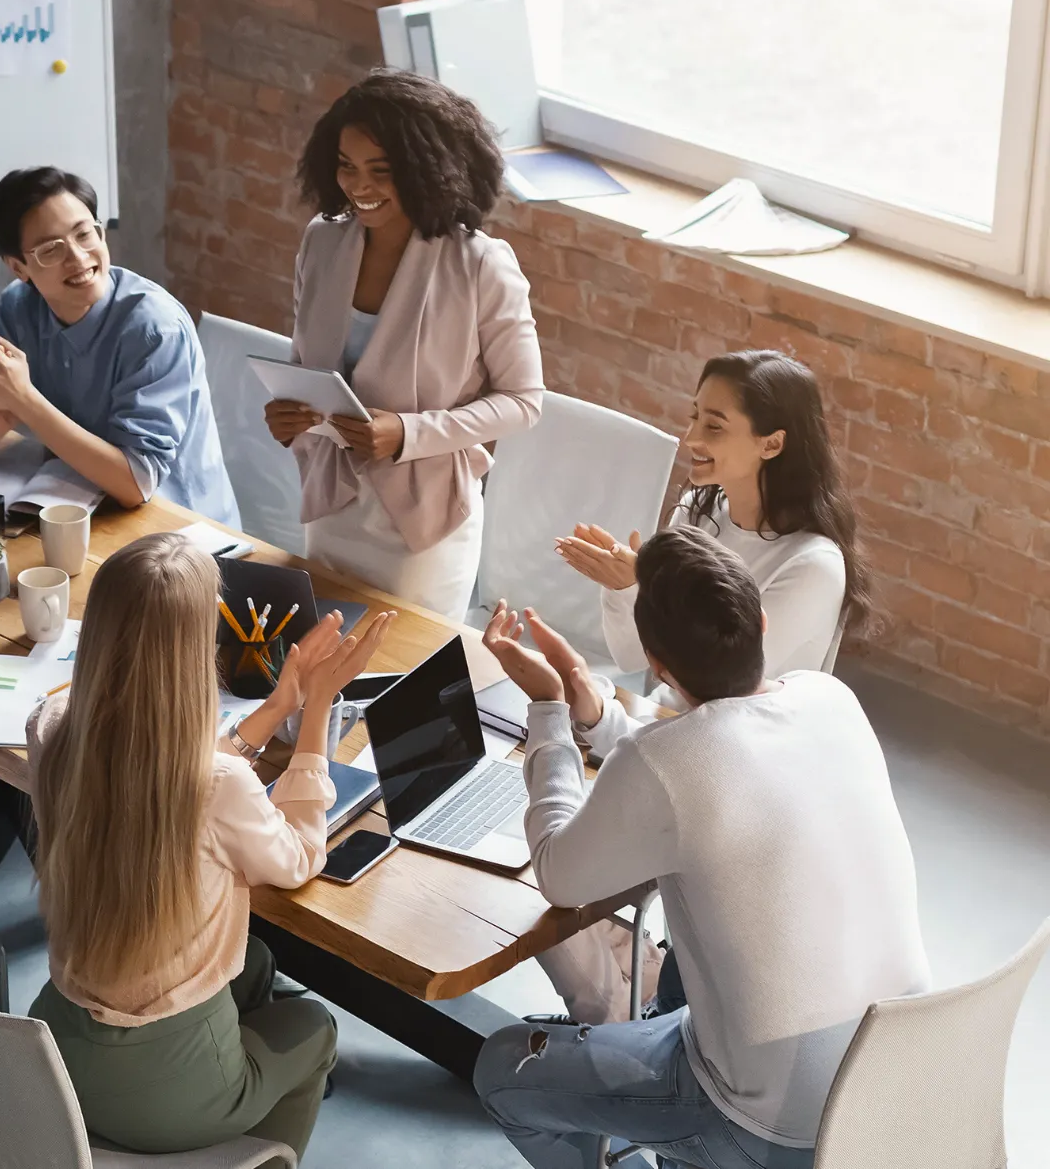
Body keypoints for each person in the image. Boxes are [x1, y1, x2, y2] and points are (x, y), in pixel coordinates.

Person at [473, 528, 929, 1169]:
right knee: (688, 974)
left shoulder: (665, 764)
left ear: (656, 664)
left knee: (500, 1066)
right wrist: (591, 705)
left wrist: (549, 709)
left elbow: (558, 872)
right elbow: (712, 765)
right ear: (762, 624)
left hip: (768, 1126)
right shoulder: (831, 699)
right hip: (888, 1089)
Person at [27, 532, 390, 1158]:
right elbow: (299, 860)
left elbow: (161, 771)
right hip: (164, 1090)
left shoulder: (53, 729)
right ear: (195, 651)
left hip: (53, 1049)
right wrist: (318, 712)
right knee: (313, 1029)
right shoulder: (220, 786)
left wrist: (279, 705)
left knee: (253, 964)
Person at [265, 69, 544, 622]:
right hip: (332, 500)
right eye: (346, 166)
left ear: (425, 170)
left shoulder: (480, 265)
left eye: (380, 171)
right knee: (322, 656)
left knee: (401, 677)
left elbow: (523, 401)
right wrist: (288, 415)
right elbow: (308, 364)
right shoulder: (322, 241)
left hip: (423, 525)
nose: (358, 187)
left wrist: (408, 434)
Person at [556, 349, 871, 757]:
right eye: (694, 416)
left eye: (714, 427)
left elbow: (719, 692)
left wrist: (644, 592)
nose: (692, 438)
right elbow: (632, 655)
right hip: (667, 728)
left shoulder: (813, 566)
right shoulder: (695, 511)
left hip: (740, 760)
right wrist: (624, 589)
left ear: (772, 444)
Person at [0, 167, 241, 526]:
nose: (79, 258)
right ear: (18, 267)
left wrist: (24, 401)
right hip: (77, 505)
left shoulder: (154, 329)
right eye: (52, 249)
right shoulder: (19, 308)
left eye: (84, 234)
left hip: (177, 533)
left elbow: (137, 482)